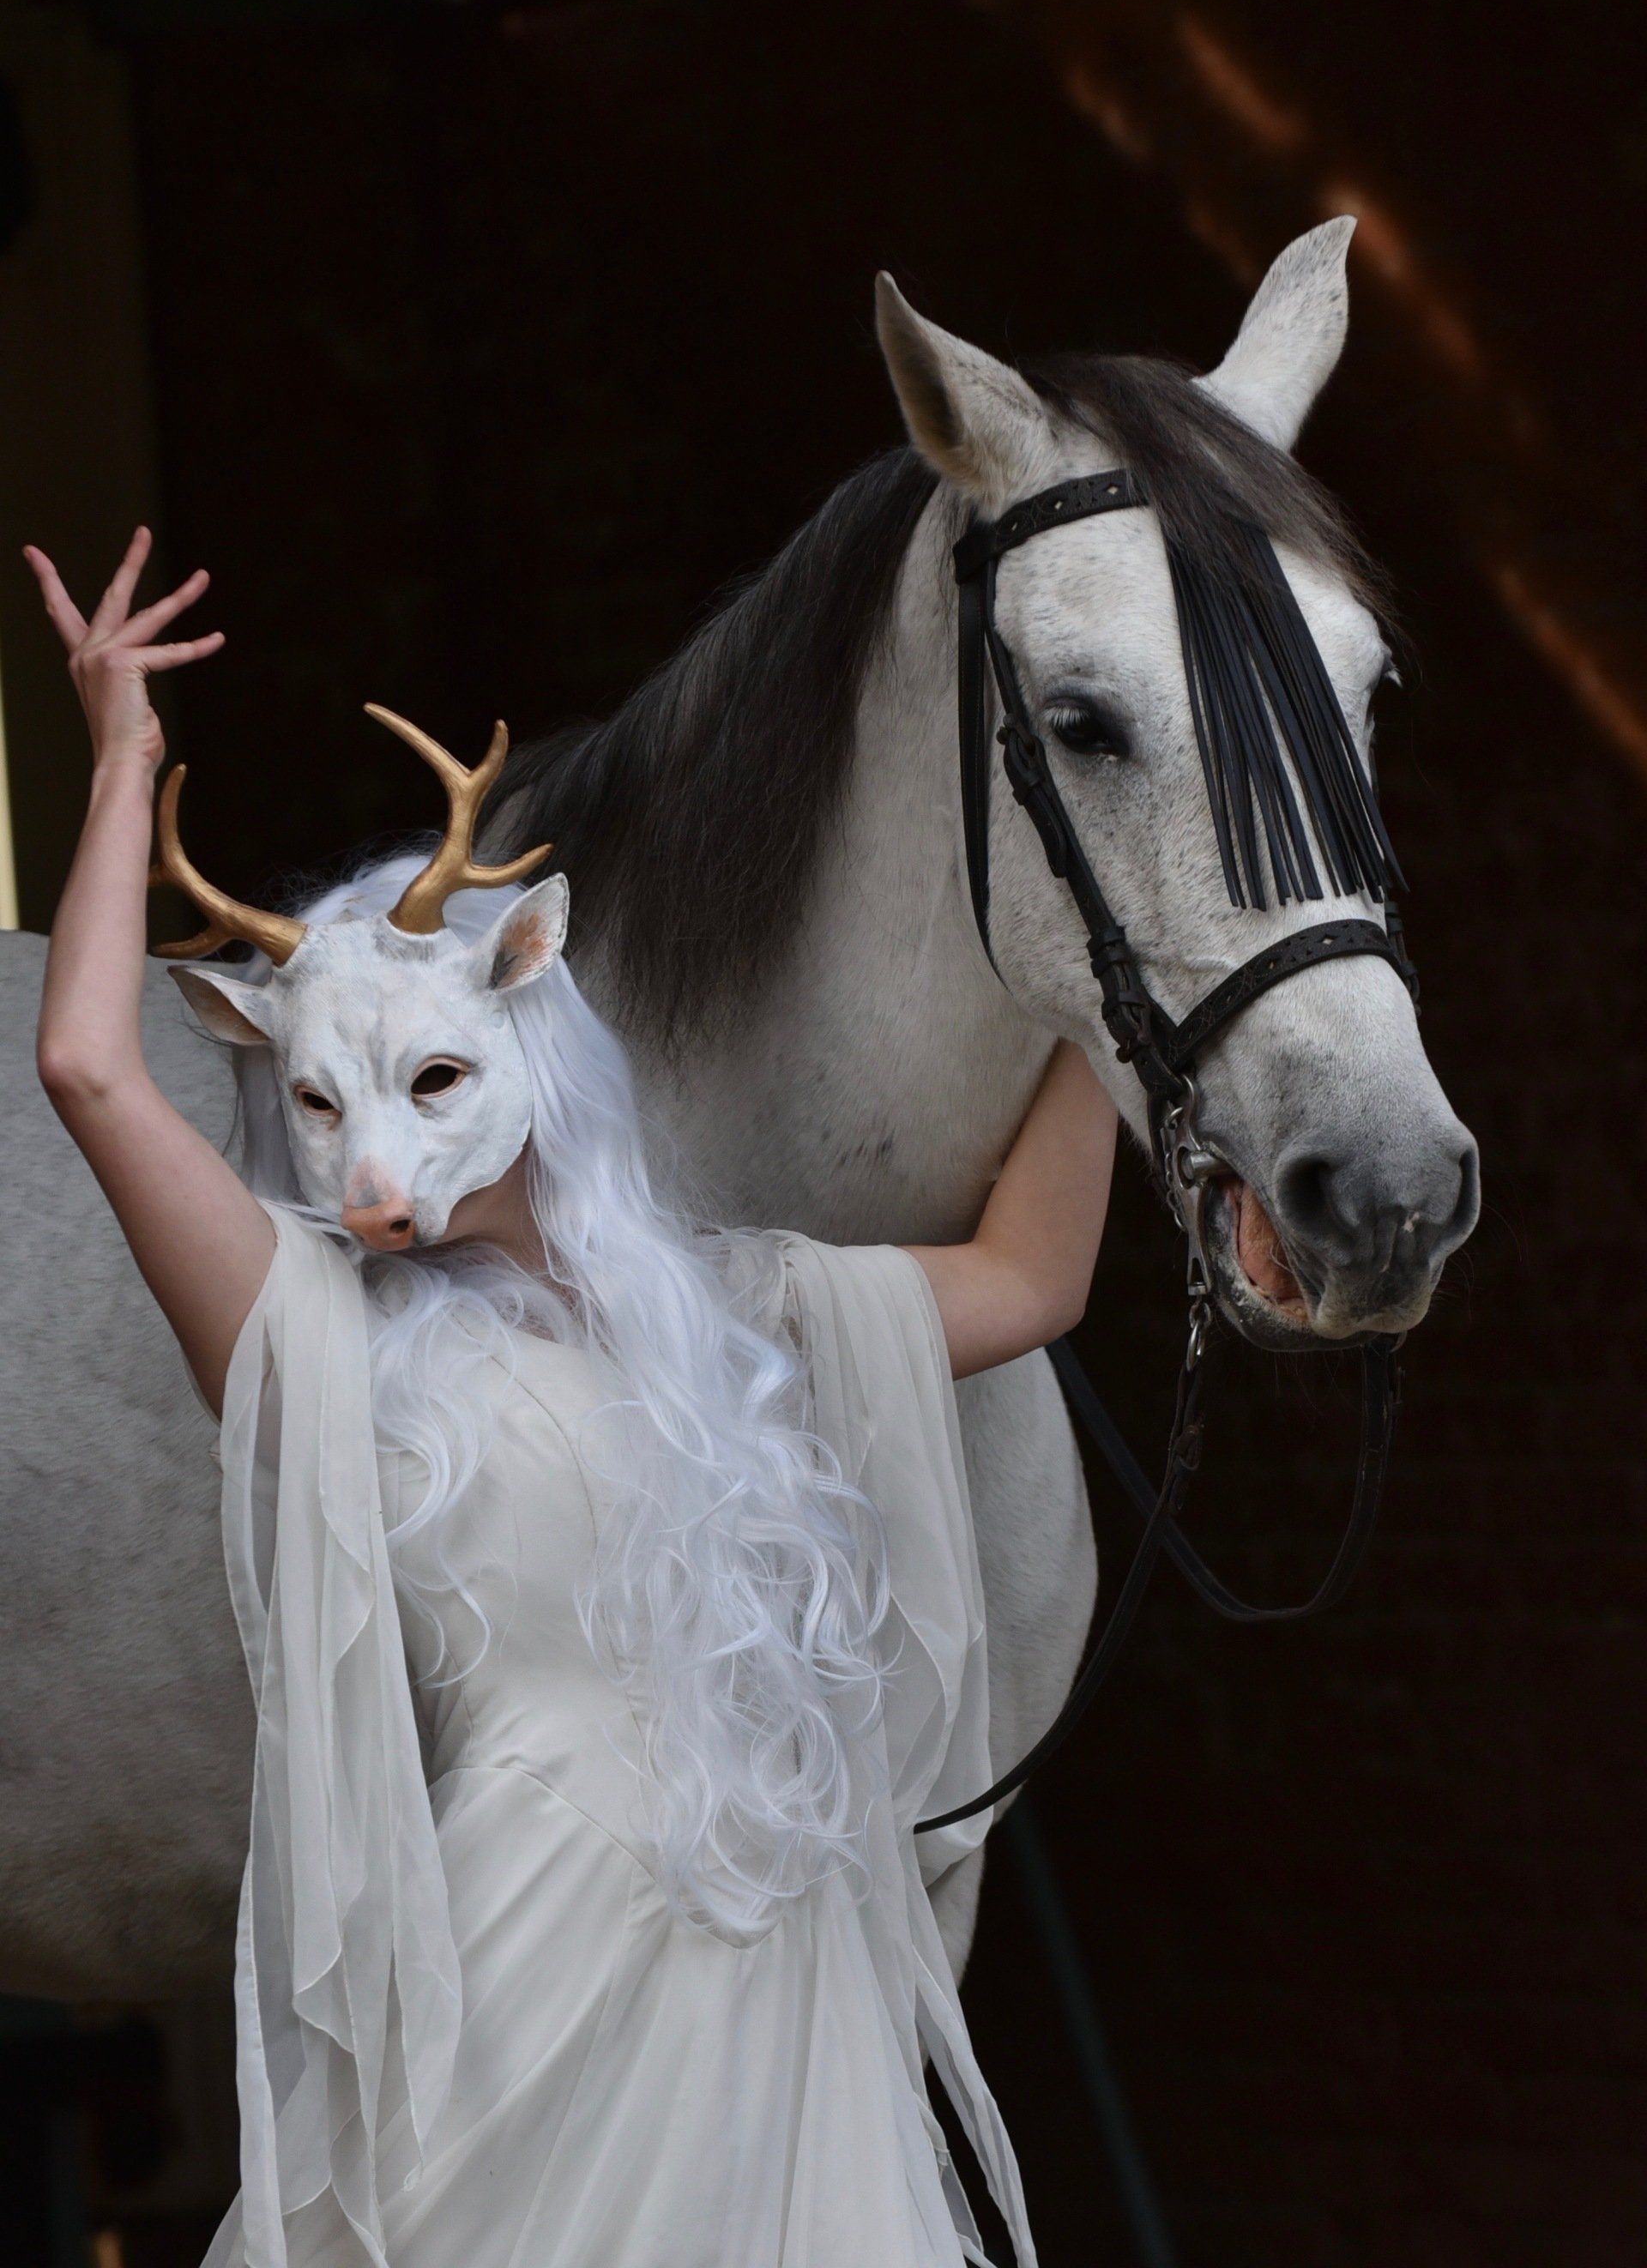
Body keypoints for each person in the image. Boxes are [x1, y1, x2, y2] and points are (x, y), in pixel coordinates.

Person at [28, 528, 1118, 2268]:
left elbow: (1035, 1278)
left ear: (528, 1019)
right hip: (529, 1988)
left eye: (431, 1080)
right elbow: (90, 1066)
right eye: (322, 1104)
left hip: (788, 1986)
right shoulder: (319, 1345)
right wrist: (119, 757)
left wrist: (1101, 981)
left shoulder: (735, 1304)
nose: (374, 1165)